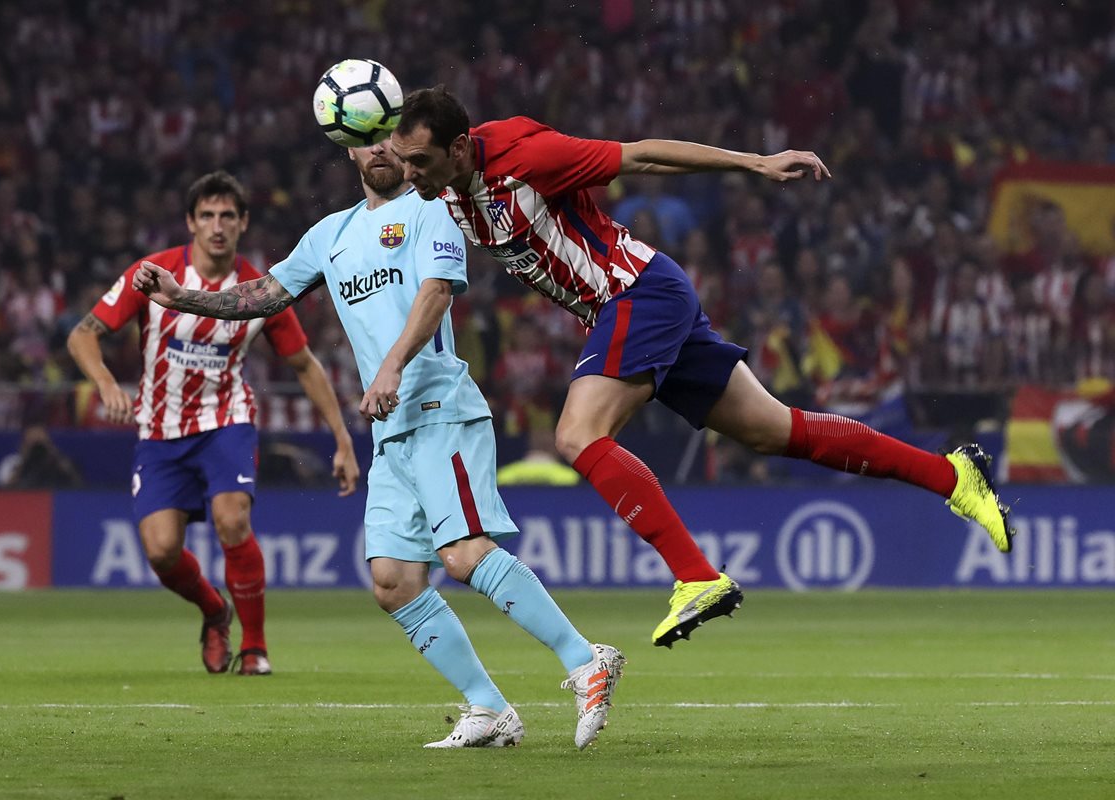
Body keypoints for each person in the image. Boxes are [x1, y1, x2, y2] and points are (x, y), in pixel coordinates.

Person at [388, 86, 1015, 648]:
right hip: (642, 301)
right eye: (405, 160)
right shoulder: (445, 184)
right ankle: (954, 476)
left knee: (577, 435)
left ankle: (696, 577)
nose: (413, 174)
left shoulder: (528, 159)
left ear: (463, 148)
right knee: (777, 430)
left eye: (422, 161)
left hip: (635, 293)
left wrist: (752, 163)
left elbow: (642, 156)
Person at [132, 139, 624, 750]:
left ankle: (586, 661)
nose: (381, 151)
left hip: (442, 409)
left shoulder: (433, 208)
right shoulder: (330, 234)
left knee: (465, 554)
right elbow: (262, 294)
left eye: (391, 138)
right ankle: (488, 707)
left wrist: (390, 366)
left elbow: (438, 291)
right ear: (349, 153)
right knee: (392, 580)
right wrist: (182, 298)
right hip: (390, 430)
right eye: (366, 142)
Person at [67, 170, 360, 677]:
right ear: (190, 222)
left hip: (227, 421)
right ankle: (214, 610)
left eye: (228, 215)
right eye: (207, 215)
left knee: (232, 520)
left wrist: (341, 438)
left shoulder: (259, 291)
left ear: (243, 222)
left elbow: (305, 365)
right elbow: (83, 335)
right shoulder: (151, 273)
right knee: (160, 551)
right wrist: (106, 382)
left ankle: (256, 647)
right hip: (159, 430)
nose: (217, 225)